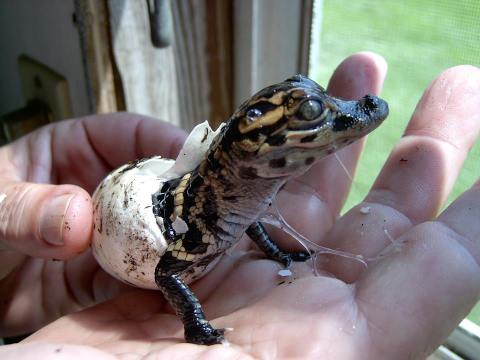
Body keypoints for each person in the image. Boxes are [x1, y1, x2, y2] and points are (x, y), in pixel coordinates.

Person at [0, 52, 479, 359]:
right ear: (254, 152)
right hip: (142, 223)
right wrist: (196, 325)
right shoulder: (209, 213)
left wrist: (276, 252)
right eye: (311, 114)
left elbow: (247, 220)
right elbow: (168, 270)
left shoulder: (236, 196)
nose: (357, 111)